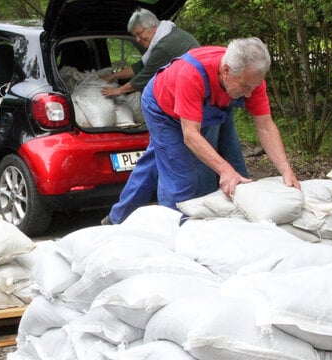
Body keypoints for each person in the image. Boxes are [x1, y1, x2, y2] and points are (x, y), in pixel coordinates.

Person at [107, 37, 299, 223]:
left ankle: (118, 216)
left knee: (161, 160)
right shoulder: (192, 74)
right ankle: (174, 233)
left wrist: (286, 169)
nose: (249, 94)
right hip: (163, 109)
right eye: (245, 87)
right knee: (182, 178)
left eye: (254, 87)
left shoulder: (250, 77)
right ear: (226, 71)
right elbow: (190, 135)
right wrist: (225, 170)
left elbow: (265, 126)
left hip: (204, 110)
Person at [99, 8, 199, 225]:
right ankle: (125, 216)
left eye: (139, 33)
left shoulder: (166, 44)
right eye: (134, 35)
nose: (138, 39)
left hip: (182, 108)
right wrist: (114, 76)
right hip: (170, 108)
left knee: (169, 166)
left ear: (152, 26)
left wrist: (117, 91)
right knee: (158, 160)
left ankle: (164, 219)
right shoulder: (168, 36)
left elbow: (144, 77)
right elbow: (140, 66)